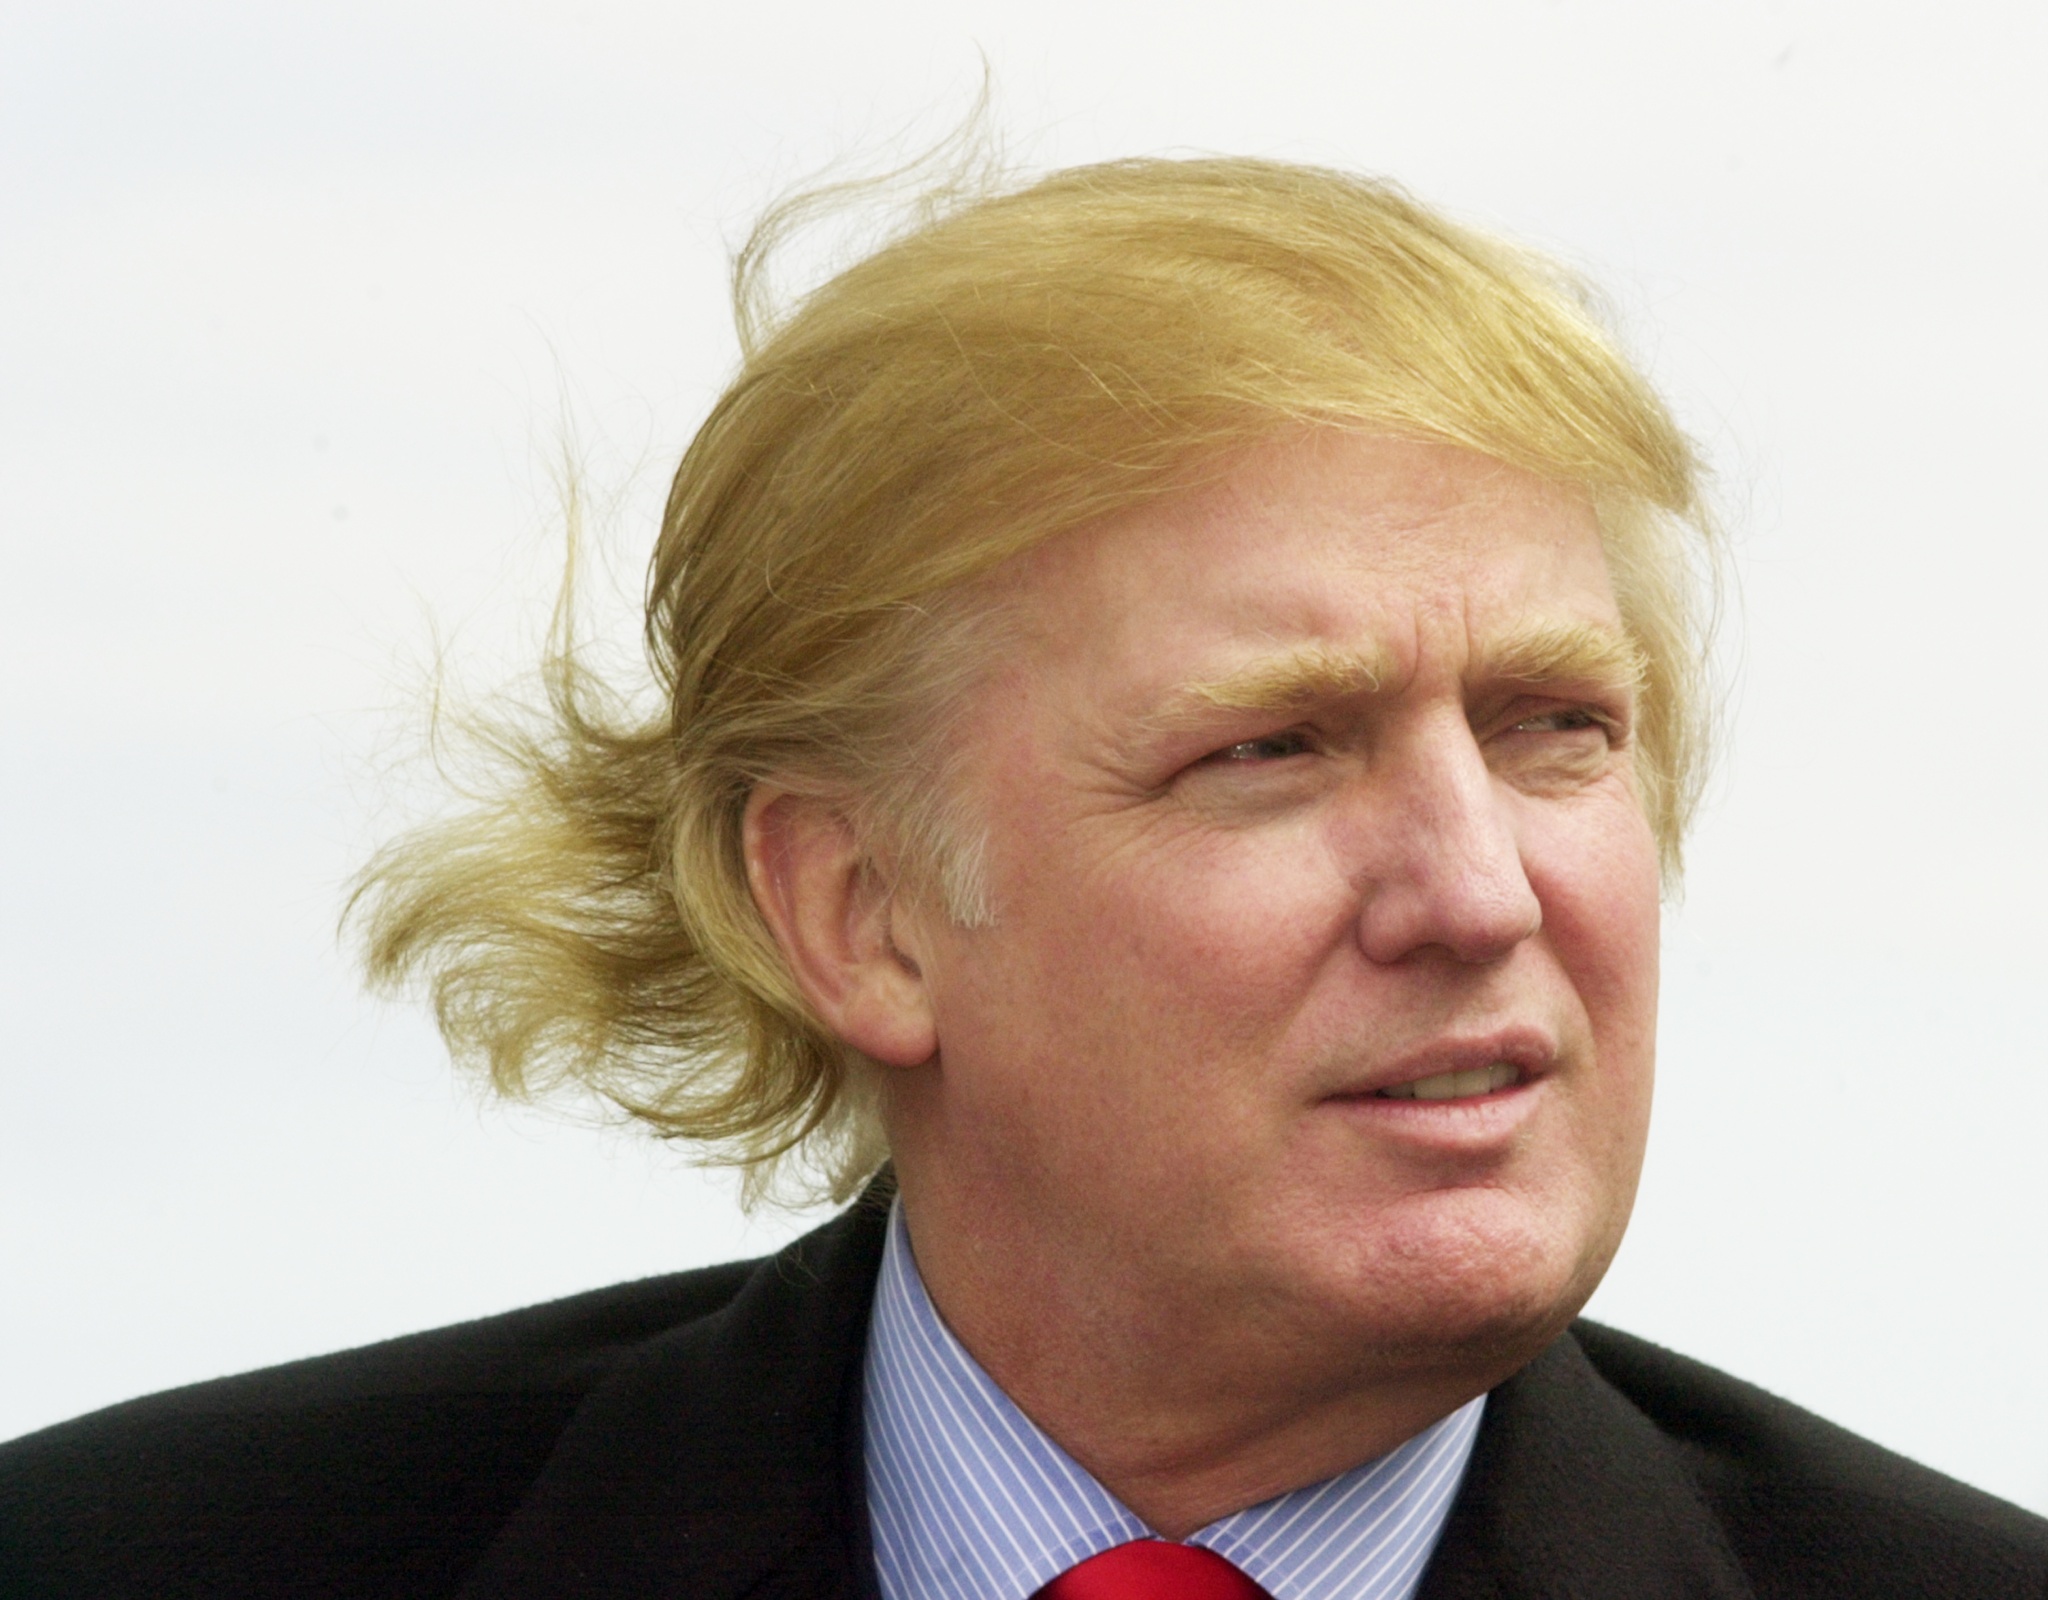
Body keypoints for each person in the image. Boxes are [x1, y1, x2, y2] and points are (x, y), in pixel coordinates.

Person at [3, 155, 2043, 1600]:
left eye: (1551, 727)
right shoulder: (143, 1551)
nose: (1480, 889)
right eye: (1273, 747)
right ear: (854, 911)